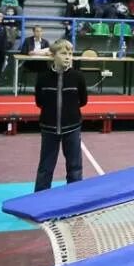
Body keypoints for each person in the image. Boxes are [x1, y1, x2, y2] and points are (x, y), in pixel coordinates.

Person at [33, 39, 88, 192]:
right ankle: (39, 199)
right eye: (63, 53)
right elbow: (39, 102)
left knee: (75, 167)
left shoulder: (78, 77)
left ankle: (74, 199)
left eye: (70, 54)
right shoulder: (42, 78)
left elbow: (83, 101)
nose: (68, 57)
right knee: (45, 167)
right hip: (49, 129)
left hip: (72, 128)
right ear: (53, 55)